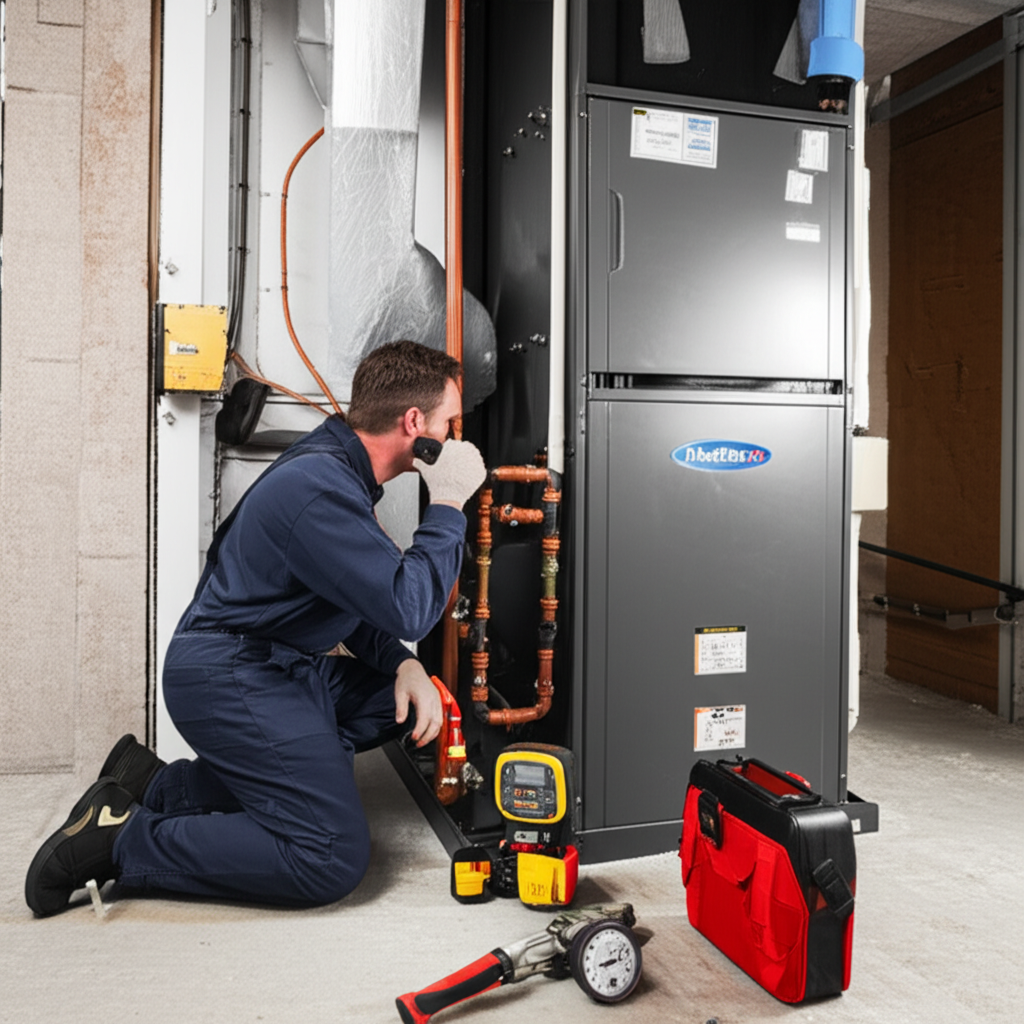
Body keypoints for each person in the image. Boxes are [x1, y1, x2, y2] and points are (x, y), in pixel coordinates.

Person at [26, 340, 486, 916]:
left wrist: (404, 664)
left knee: (386, 704)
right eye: (450, 423)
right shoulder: (319, 489)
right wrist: (447, 503)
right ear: (415, 424)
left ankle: (155, 786)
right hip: (230, 671)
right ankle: (118, 841)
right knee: (329, 854)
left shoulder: (337, 471)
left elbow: (354, 600)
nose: (455, 438)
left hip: (271, 662)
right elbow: (410, 607)